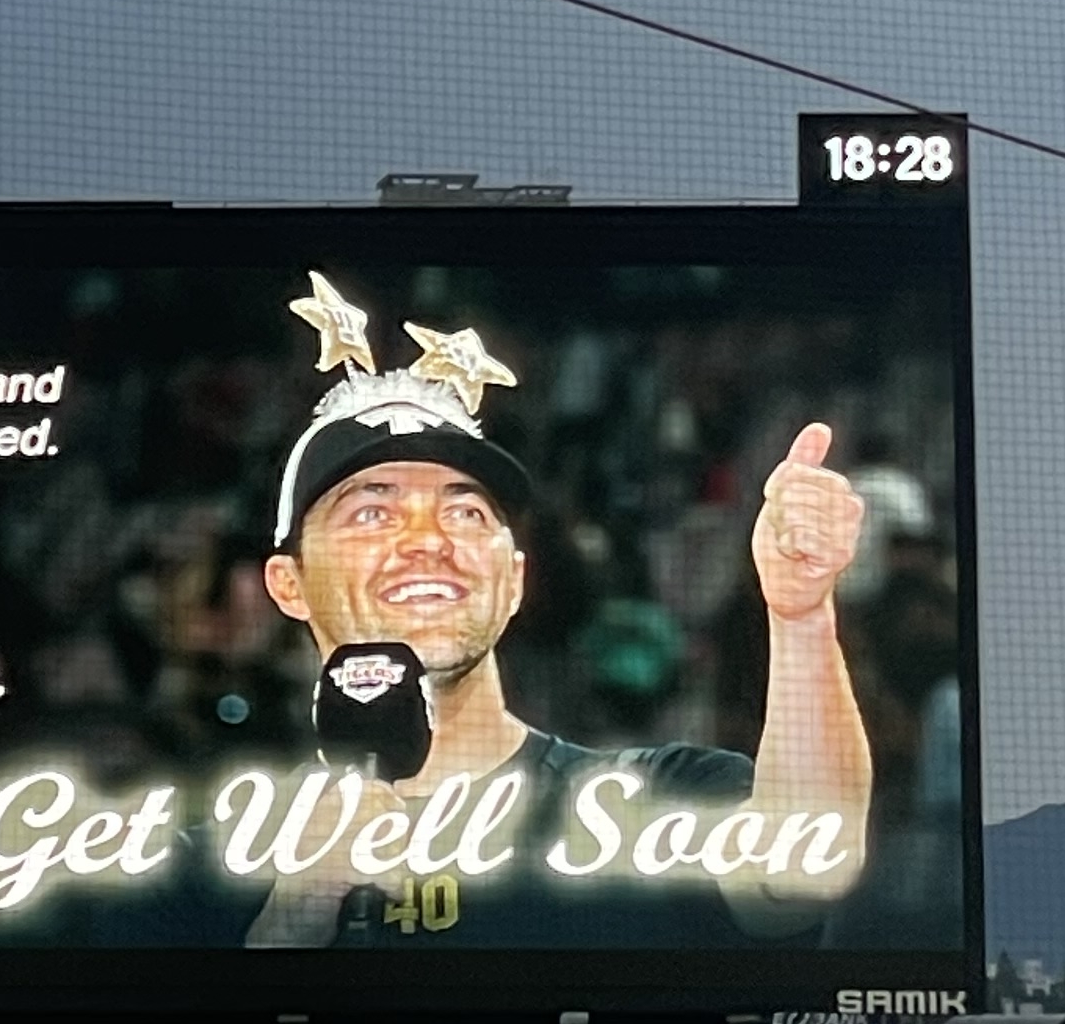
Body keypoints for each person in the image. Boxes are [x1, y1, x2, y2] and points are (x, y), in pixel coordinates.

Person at [245, 272, 871, 947]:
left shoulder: (656, 799)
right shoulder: (185, 856)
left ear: (513, 580)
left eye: (464, 511)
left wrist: (802, 616)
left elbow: (800, 871)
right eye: (372, 511)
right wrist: (282, 937)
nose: (426, 540)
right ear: (289, 584)